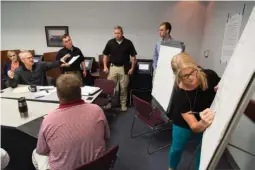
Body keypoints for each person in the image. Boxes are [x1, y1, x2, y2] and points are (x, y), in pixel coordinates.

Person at [32, 74, 110, 170]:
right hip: (97, 166)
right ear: (80, 91)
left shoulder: (48, 120)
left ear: (58, 94)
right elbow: (107, 137)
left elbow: (42, 151)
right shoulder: (97, 110)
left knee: (35, 154)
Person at [168, 52, 221, 170]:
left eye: (193, 71)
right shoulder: (179, 95)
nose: (192, 77)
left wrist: (221, 88)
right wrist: (202, 123)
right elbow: (194, 126)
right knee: (176, 148)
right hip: (183, 123)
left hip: (206, 117)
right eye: (185, 76)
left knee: (201, 149)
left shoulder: (209, 75)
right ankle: (171, 167)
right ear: (178, 77)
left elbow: (222, 85)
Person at [102, 26, 137, 112]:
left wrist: (132, 68)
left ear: (122, 33)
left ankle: (123, 104)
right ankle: (109, 103)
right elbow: (105, 55)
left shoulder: (128, 43)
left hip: (124, 68)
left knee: (123, 88)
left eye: (118, 33)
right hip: (113, 68)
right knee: (110, 87)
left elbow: (133, 57)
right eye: (115, 33)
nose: (117, 35)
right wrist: (105, 66)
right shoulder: (110, 42)